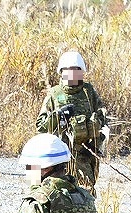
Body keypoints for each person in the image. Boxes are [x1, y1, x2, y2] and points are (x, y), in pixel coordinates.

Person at [36, 49, 110, 191]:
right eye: (67, 70)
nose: (71, 73)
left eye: (75, 70)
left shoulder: (89, 92)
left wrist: (96, 133)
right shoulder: (54, 94)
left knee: (86, 193)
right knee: (57, 194)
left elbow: (103, 117)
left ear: (82, 72)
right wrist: (58, 116)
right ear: (61, 72)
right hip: (59, 158)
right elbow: (41, 126)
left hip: (85, 154)